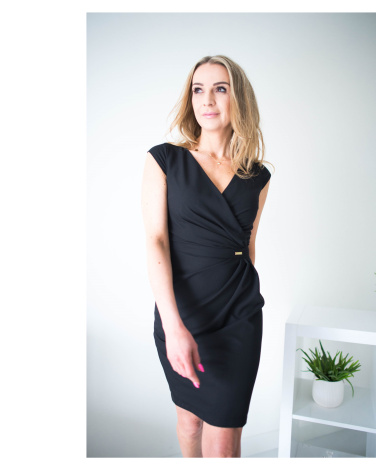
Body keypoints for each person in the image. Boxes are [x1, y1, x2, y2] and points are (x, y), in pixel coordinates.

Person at [141, 55, 272, 458]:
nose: (207, 99)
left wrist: (241, 303)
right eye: (198, 89)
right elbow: (156, 241)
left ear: (238, 99)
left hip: (238, 318)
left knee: (225, 443)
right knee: (189, 421)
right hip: (182, 313)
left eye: (220, 88)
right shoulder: (164, 159)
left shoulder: (258, 176)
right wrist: (173, 327)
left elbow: (248, 246)